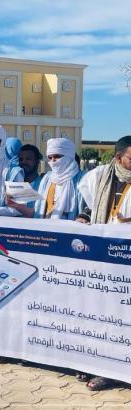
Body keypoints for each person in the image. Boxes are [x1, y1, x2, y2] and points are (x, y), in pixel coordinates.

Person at [74, 135, 131, 391]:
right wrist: (84, 216)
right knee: (98, 312)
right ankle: (95, 362)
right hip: (100, 257)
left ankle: (114, 371)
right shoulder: (100, 176)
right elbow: (91, 205)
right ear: (118, 158)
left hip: (125, 260)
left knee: (122, 317)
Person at [34, 138, 84, 219]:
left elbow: (87, 208)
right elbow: (38, 209)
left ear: (69, 156)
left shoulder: (82, 179)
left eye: (57, 156)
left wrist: (83, 217)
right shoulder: (47, 178)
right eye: (50, 157)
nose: (53, 160)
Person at [6, 144, 43, 218]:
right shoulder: (13, 183)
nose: (24, 162)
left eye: (28, 159)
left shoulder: (43, 185)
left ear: (37, 161)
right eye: (21, 159)